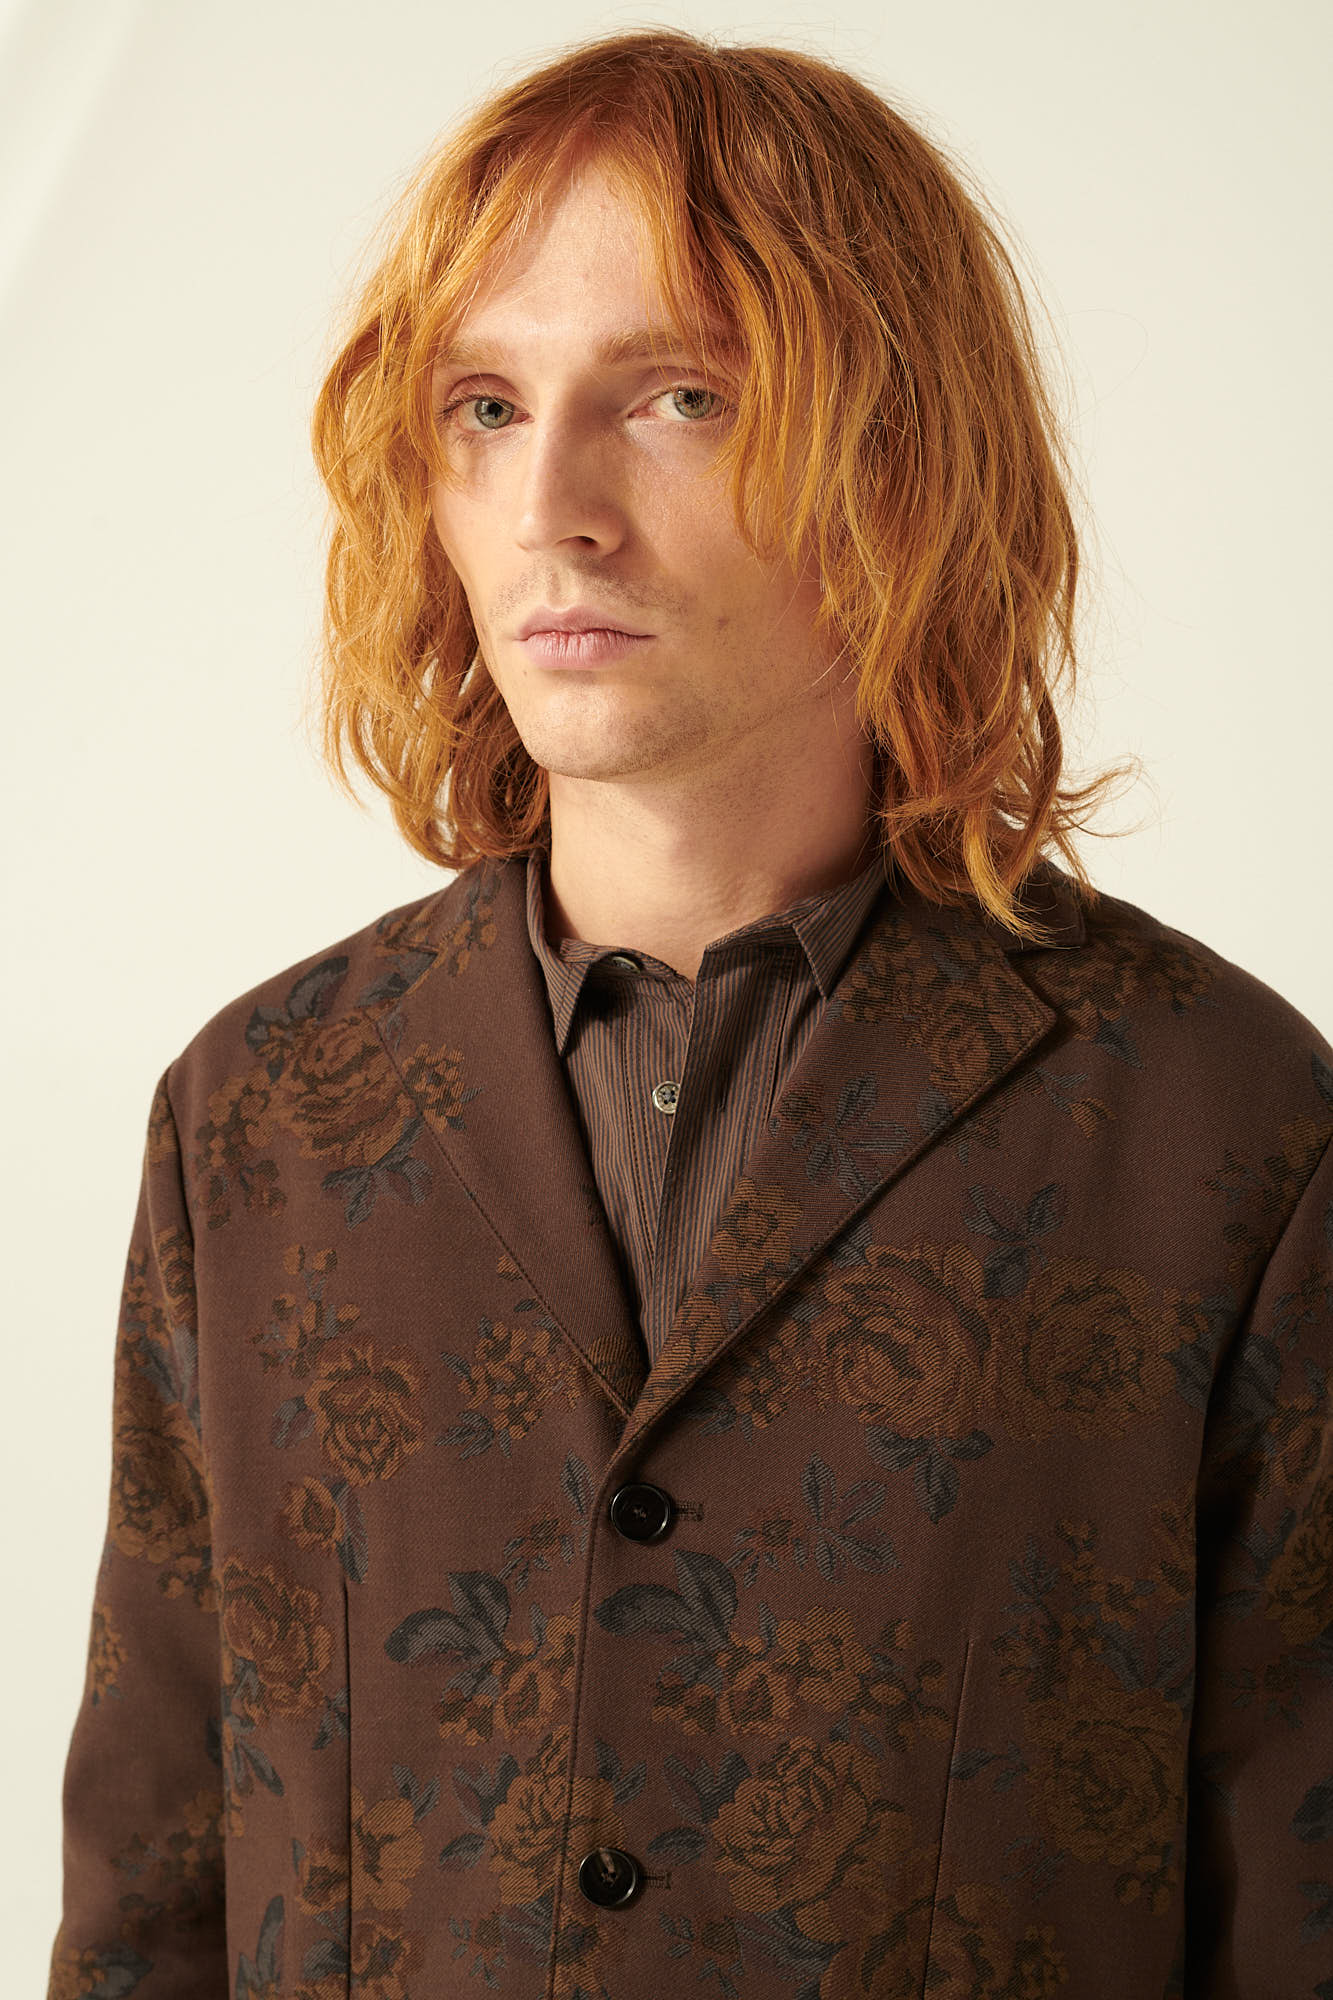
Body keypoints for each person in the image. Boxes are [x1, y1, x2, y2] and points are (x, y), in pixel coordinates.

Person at [47, 26, 1331, 2000]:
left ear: (899, 458)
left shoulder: (1218, 1133)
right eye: (485, 406)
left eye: (677, 398)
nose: (551, 504)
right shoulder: (261, 1118)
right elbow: (149, 1905)